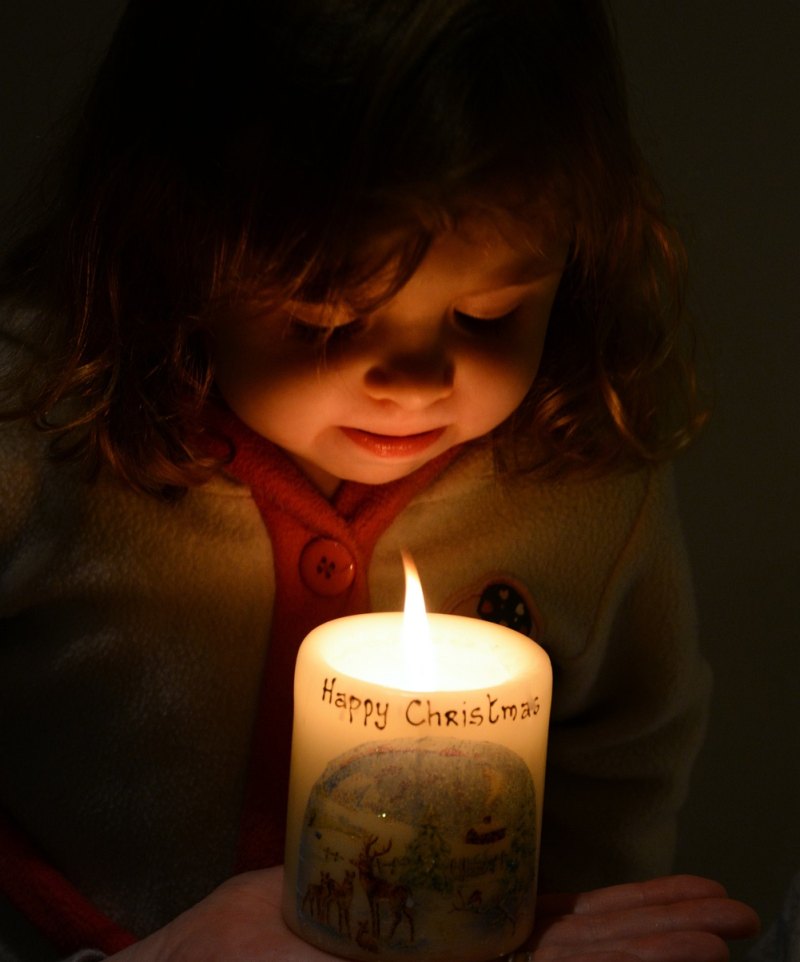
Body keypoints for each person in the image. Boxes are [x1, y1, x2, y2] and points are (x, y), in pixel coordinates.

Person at [0, 0, 760, 959]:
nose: (415, 383)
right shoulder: (33, 429)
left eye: (487, 318)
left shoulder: (584, 478)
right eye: (324, 322)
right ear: (175, 245)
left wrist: (572, 916)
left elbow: (622, 755)